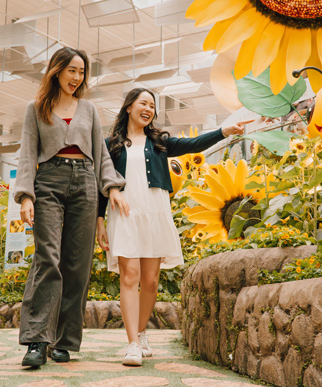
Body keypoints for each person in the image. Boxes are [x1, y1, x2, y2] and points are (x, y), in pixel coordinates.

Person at [96, 87, 251, 366]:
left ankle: (142, 332)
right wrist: (99, 220)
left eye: (152, 106)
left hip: (155, 211)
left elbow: (194, 143)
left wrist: (224, 131)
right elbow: (101, 183)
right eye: (143, 103)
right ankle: (132, 344)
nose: (148, 109)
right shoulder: (111, 145)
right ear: (129, 107)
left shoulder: (160, 142)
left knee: (151, 281)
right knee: (129, 277)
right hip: (125, 212)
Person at [14, 47, 128, 367]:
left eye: (81, 73)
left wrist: (113, 187)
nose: (77, 78)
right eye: (72, 71)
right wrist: (25, 195)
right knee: (47, 258)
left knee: (77, 265)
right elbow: (26, 154)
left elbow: (101, 155)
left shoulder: (89, 109)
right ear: (57, 71)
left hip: (85, 185)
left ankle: (64, 341)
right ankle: (37, 340)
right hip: (48, 182)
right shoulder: (35, 108)